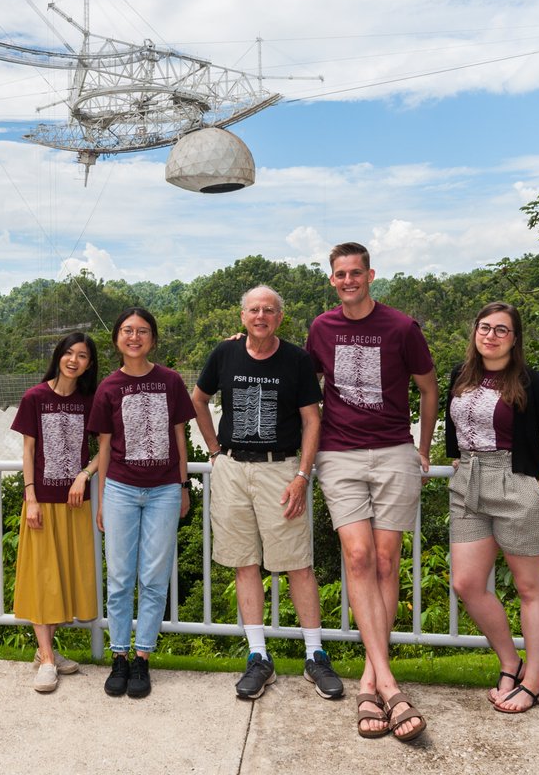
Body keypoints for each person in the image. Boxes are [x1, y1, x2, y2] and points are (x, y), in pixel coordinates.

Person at [305, 242, 438, 741]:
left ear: (370, 275)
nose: (347, 280)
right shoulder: (321, 327)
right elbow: (302, 383)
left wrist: (423, 448)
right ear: (332, 279)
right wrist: (243, 342)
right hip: (338, 454)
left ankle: (369, 679)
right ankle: (389, 682)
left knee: (386, 561)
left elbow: (428, 388)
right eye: (340, 274)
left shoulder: (401, 327)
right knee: (358, 557)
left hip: (393, 452)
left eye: (355, 272)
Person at [191, 285, 344, 701]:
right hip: (233, 468)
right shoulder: (225, 354)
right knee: (244, 564)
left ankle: (316, 655)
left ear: (280, 317)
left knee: (298, 563)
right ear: (243, 317)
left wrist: (301, 475)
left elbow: (312, 420)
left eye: (269, 310)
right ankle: (258, 656)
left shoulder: (297, 360)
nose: (261, 316)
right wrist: (214, 451)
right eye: (254, 310)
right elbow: (198, 399)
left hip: (281, 470)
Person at [445, 301, 539, 714]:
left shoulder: (535, 383)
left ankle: (533, 681)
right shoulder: (459, 377)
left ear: (514, 339)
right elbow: (456, 438)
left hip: (518, 485)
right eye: (485, 327)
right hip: (469, 485)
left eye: (502, 330)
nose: (491, 336)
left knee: (529, 588)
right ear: (475, 332)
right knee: (466, 582)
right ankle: (509, 662)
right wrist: (460, 468)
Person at [88, 308, 196, 699]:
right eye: (128, 331)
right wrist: (100, 499)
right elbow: (103, 446)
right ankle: (119, 655)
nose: (135, 337)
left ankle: (143, 657)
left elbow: (179, 436)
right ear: (117, 338)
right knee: (119, 577)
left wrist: (184, 486)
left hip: (165, 489)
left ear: (153, 338)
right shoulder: (108, 387)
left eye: (143, 331)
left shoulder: (170, 381)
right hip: (119, 488)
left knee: (153, 576)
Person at [11, 332, 101, 693]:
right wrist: (30, 497)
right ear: (58, 356)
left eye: (82, 355)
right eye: (68, 353)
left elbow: (106, 448)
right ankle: (47, 660)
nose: (73, 360)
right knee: (42, 578)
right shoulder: (35, 397)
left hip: (76, 504)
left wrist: (85, 474)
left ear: (89, 364)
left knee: (64, 577)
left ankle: (46, 650)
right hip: (42, 502)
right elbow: (29, 452)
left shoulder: (89, 401)